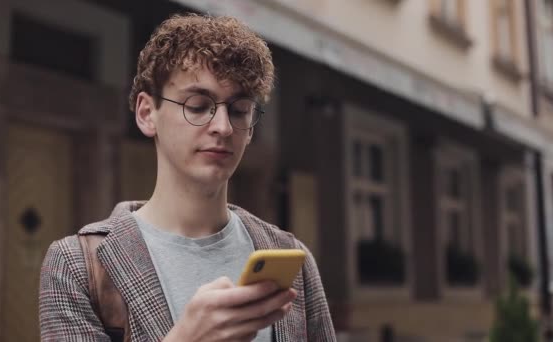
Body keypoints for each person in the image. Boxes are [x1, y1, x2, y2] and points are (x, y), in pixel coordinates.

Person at [39, 13, 335, 342]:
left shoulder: (293, 260)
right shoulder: (77, 265)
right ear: (147, 113)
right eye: (197, 106)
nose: (223, 127)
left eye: (239, 110)